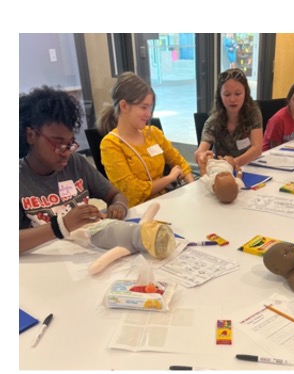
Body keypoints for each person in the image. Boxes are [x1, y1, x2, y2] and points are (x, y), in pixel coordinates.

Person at [20, 86, 129, 254]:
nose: (66, 153)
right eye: (58, 143)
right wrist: (61, 226)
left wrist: (119, 205)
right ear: (31, 136)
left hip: (84, 256)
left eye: (70, 143)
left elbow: (115, 195)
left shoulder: (76, 163)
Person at [98, 72, 194, 208]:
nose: (148, 114)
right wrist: (169, 179)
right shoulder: (110, 145)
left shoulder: (153, 133)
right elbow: (132, 192)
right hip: (138, 213)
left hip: (164, 204)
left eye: (149, 107)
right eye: (143, 107)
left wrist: (192, 187)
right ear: (124, 106)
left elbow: (180, 162)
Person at [194, 68, 263, 168]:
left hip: (248, 166)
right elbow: (201, 150)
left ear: (246, 94)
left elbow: (257, 148)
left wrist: (234, 162)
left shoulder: (253, 113)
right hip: (222, 172)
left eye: (238, 94)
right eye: (227, 94)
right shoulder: (213, 122)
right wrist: (200, 156)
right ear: (220, 96)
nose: (233, 99)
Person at [262, 80, 294, 151]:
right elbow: (275, 149)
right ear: (289, 101)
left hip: (291, 151)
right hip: (270, 154)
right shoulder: (278, 119)